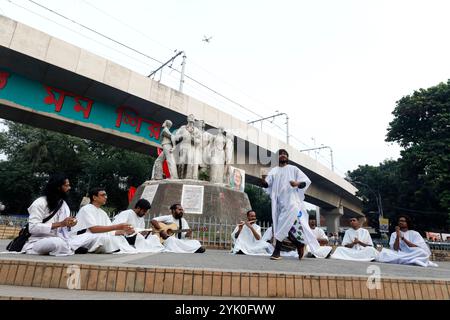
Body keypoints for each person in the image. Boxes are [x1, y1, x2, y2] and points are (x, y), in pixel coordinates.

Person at [261, 149, 332, 260]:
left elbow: (305, 182)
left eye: (285, 154)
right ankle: (299, 244)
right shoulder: (273, 171)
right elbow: (266, 185)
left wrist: (297, 183)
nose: (283, 155)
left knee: (282, 226)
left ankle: (277, 252)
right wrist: (263, 179)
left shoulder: (293, 169)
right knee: (285, 228)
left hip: (292, 203)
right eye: (280, 154)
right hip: (279, 204)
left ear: (287, 157)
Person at [22, 173, 77, 256]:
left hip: (61, 238)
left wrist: (70, 223)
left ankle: (66, 247)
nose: (69, 188)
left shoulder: (64, 205)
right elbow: (33, 228)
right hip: (38, 241)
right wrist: (61, 224)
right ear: (58, 187)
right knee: (56, 242)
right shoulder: (40, 203)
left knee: (76, 240)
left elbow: (64, 229)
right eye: (66, 186)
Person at [70, 188, 137, 254]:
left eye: (106, 195)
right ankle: (80, 247)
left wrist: (125, 232)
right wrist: (117, 226)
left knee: (119, 238)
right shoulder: (86, 209)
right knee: (103, 238)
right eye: (103, 195)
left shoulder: (103, 213)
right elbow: (93, 229)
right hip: (84, 237)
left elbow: (111, 231)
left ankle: (94, 248)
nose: (106, 197)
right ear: (94, 197)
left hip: (97, 237)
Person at [174, 114, 201, 179]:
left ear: (194, 120)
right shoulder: (182, 128)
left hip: (191, 148)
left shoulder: (196, 130)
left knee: (189, 163)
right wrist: (181, 136)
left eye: (192, 117)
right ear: (187, 119)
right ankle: (179, 177)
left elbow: (199, 141)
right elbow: (176, 137)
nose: (191, 118)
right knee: (181, 162)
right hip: (183, 146)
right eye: (190, 117)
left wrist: (192, 138)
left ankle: (188, 177)